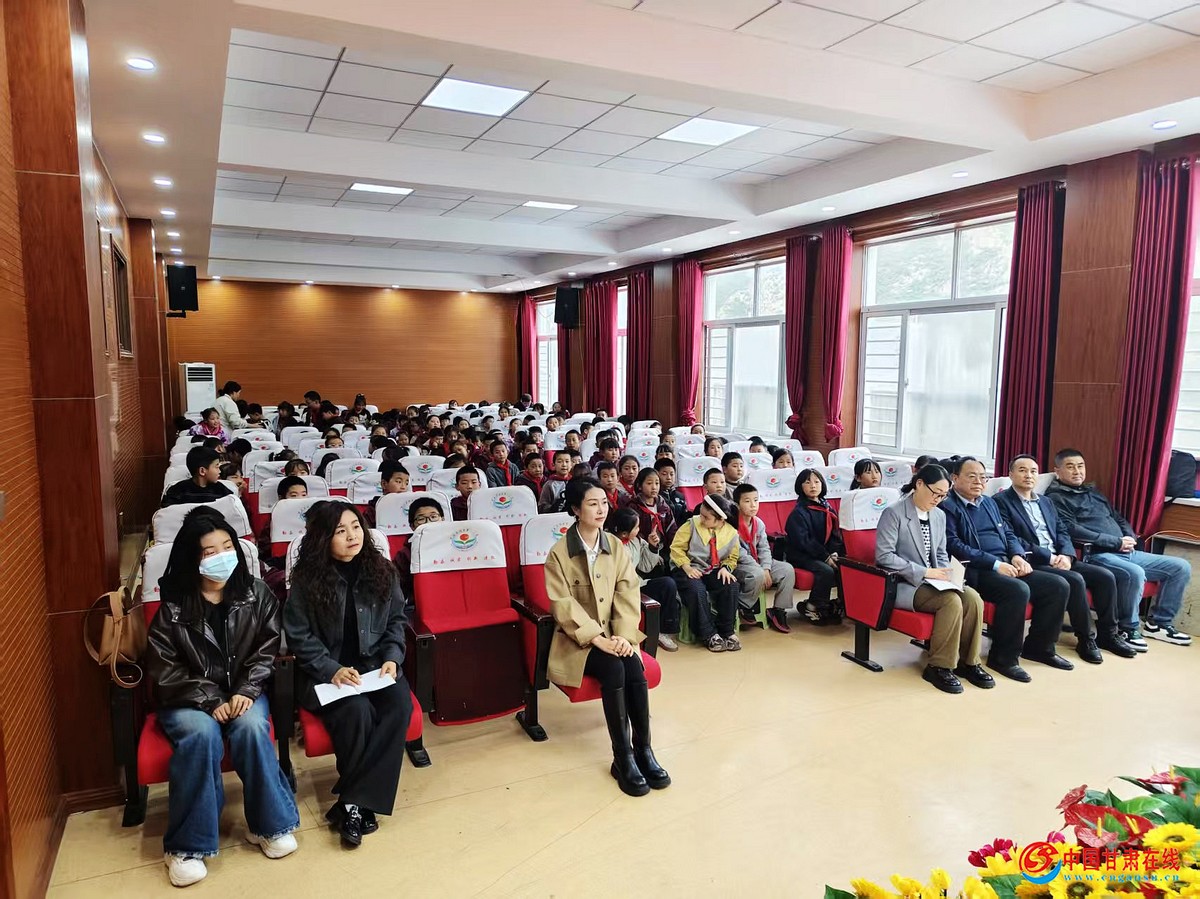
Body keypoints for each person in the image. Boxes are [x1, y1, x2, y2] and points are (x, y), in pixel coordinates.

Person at [146, 508, 299, 886]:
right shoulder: (174, 606)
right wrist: (211, 699)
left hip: (245, 691)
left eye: (228, 546)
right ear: (192, 558)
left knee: (251, 727)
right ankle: (186, 846)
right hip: (188, 697)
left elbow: (267, 648)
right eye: (210, 551)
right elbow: (165, 669)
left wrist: (246, 690)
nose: (223, 556)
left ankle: (270, 825)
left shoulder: (256, 593)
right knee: (201, 735)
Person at [283, 502, 411, 846]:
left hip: (375, 667)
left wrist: (392, 657)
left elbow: (397, 620)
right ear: (323, 538)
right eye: (340, 531)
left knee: (399, 705)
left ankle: (352, 801)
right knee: (357, 711)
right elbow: (298, 635)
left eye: (356, 526)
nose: (352, 536)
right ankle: (358, 806)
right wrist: (332, 669)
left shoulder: (382, 569)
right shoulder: (307, 579)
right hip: (325, 673)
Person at [543, 479, 669, 797]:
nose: (601, 509)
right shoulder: (558, 554)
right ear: (576, 509)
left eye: (603, 502)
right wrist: (597, 638)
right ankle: (622, 757)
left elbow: (628, 592)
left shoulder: (615, 546)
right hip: (578, 640)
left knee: (634, 667)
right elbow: (562, 604)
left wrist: (625, 636)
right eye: (592, 504)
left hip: (617, 635)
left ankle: (644, 750)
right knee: (614, 669)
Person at [995, 455, 1137, 662]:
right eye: (1022, 470)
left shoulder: (1045, 502)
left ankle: (1109, 635)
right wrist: (1050, 557)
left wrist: (1067, 555)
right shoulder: (1000, 502)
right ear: (1010, 474)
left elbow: (1062, 531)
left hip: (1061, 557)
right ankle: (1086, 639)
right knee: (1075, 580)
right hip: (1033, 560)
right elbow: (1011, 538)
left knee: (1105, 576)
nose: (1028, 475)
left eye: (1033, 471)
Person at [942, 457, 1070, 682]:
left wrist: (1017, 555)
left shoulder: (988, 502)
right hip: (975, 570)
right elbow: (954, 545)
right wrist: (995, 564)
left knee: (1057, 585)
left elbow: (1008, 534)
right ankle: (1003, 658)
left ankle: (1040, 648)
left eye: (983, 477)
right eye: (971, 476)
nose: (979, 482)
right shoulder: (947, 506)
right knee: (1017, 590)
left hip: (1005, 563)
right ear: (955, 478)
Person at [1047, 448, 1192, 647]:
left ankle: (1159, 624)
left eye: (1080, 466)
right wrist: (1116, 542)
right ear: (1057, 471)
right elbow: (1071, 530)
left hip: (1125, 550)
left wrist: (1129, 536)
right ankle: (1127, 628)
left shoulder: (1093, 493)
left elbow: (1118, 517)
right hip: (1097, 555)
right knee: (1135, 573)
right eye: (1070, 467)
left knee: (1180, 567)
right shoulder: (1056, 498)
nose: (1077, 471)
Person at [874, 465, 993, 694]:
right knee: (950, 601)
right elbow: (884, 556)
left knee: (973, 599)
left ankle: (969, 662)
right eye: (935, 493)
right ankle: (939, 666)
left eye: (944, 495)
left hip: (935, 581)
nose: (938, 499)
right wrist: (925, 572)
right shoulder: (894, 513)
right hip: (905, 584)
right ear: (919, 484)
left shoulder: (939, 515)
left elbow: (940, 552)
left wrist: (948, 574)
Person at [670, 494, 741, 653]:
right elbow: (676, 548)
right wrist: (687, 567)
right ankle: (708, 634)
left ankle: (727, 631)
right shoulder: (691, 524)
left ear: (720, 520)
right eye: (701, 514)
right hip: (687, 567)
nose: (701, 519)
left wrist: (726, 568)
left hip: (713, 569)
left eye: (706, 517)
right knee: (697, 589)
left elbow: (732, 557)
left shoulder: (731, 533)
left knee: (731, 585)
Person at [606, 507, 680, 653]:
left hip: (637, 584)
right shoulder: (608, 544)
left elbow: (645, 567)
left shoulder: (636, 541)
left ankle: (664, 631)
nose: (639, 530)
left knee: (668, 584)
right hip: (619, 591)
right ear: (624, 533)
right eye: (636, 527)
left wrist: (652, 546)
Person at [732, 483, 796, 634]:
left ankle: (778, 610)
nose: (753, 505)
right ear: (737, 504)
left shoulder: (758, 523)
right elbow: (739, 553)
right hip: (739, 564)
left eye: (756, 500)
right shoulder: (732, 524)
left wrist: (766, 568)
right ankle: (744, 606)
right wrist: (761, 569)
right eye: (747, 501)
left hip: (759, 563)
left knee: (787, 570)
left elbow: (764, 548)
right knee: (757, 574)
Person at [784, 468, 845, 626]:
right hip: (802, 555)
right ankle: (813, 606)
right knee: (826, 570)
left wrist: (834, 553)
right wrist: (825, 557)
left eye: (817, 482)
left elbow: (835, 534)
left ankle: (840, 604)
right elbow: (804, 541)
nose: (813, 485)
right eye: (808, 482)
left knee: (845, 566)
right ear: (800, 486)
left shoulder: (827, 507)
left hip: (823, 553)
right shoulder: (799, 513)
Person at [392, 497, 443, 610]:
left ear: (442, 519)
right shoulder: (404, 555)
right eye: (421, 519)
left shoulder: (454, 548)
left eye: (433, 517)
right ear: (412, 526)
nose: (428, 523)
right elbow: (399, 590)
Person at [628, 468, 678, 556]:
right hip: (642, 551)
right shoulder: (633, 507)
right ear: (639, 486)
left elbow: (671, 528)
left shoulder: (663, 506)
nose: (654, 487)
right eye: (649, 483)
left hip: (663, 549)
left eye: (657, 483)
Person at [163, 447, 229, 507]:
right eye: (217, 467)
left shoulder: (222, 490)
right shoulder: (178, 491)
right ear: (202, 471)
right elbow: (167, 512)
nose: (219, 471)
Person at [365, 461, 410, 528]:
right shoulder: (372, 510)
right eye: (399, 482)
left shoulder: (409, 507)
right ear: (384, 484)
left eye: (406, 483)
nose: (403, 487)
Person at [655, 459, 689, 526]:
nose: (669, 478)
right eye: (664, 474)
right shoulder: (655, 496)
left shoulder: (680, 496)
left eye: (672, 474)